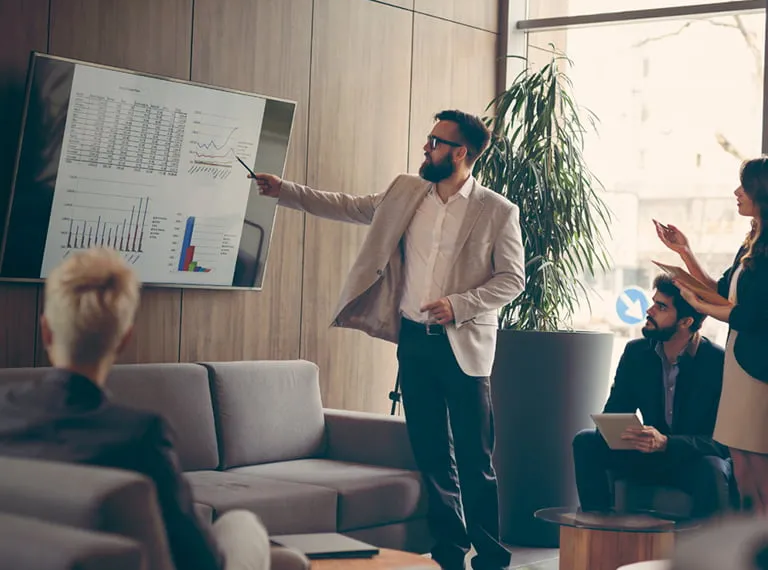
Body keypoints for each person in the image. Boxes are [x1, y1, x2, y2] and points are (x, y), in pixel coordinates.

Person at [251, 109, 525, 570]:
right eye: (428, 139)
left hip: (464, 349)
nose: (426, 147)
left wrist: (459, 303)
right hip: (415, 341)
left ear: (462, 152)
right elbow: (349, 205)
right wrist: (285, 192)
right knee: (432, 454)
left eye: (437, 142)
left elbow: (512, 280)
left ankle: (492, 556)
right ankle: (449, 553)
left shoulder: (497, 210)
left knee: (475, 458)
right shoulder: (406, 191)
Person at [0, 248, 269, 570]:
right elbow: (201, 560)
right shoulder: (139, 435)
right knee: (241, 524)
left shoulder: (7, 413)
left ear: (46, 330)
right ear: (124, 339)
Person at [655, 156, 768, 514]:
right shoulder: (752, 243)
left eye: (744, 186)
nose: (737, 192)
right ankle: (751, 545)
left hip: (759, 367)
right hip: (740, 363)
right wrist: (684, 251)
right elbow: (720, 289)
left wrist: (698, 305)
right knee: (740, 458)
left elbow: (747, 315)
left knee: (759, 463)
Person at [572, 274, 732, 519]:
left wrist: (666, 443)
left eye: (661, 307)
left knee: (712, 468)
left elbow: (723, 444)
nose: (649, 310)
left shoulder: (717, 362)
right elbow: (615, 412)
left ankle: (704, 552)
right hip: (646, 455)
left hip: (689, 459)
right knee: (586, 442)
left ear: (685, 322)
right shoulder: (637, 352)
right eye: (653, 302)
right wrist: (629, 432)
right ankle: (599, 532)